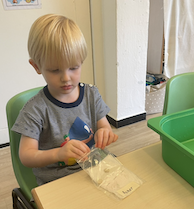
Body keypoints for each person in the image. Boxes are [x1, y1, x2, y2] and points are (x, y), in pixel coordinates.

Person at [12, 14, 118, 185]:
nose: (66, 78)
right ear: (37, 66)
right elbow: (26, 156)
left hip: (96, 167)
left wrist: (104, 132)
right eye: (55, 70)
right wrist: (58, 154)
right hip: (58, 179)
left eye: (74, 68)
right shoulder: (34, 109)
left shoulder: (91, 94)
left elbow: (103, 125)